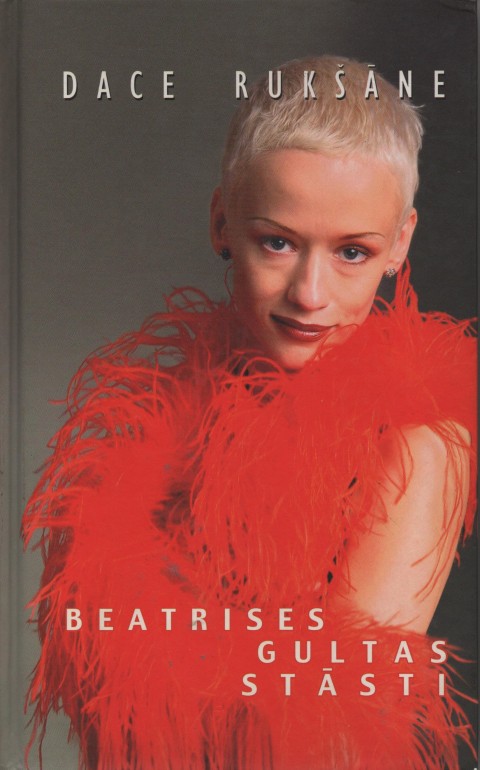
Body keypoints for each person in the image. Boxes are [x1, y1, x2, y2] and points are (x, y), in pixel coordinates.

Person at [23, 56, 476, 770]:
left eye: (352, 252)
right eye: (278, 242)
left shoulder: (418, 444)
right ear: (221, 222)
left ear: (400, 245)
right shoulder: (163, 427)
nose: (310, 293)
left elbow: (330, 739)